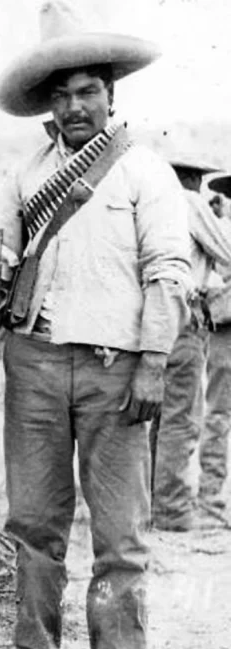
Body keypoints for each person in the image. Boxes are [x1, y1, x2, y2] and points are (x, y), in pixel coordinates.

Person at [0, 3, 191, 647]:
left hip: (114, 371)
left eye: (88, 91)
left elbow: (167, 271)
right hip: (32, 366)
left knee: (120, 535)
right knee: (33, 525)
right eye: (61, 96)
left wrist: (152, 363)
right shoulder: (27, 174)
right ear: (48, 107)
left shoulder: (146, 170)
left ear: (110, 96)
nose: (75, 106)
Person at [151, 160, 231, 531]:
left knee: (152, 413)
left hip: (147, 319)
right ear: (194, 178)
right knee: (181, 418)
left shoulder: (149, 200)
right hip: (184, 317)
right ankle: (171, 511)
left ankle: (151, 503)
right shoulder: (189, 203)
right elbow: (228, 251)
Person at [199, 172, 231, 516]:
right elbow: (209, 282)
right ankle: (211, 493)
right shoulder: (220, 233)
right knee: (219, 412)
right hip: (226, 331)